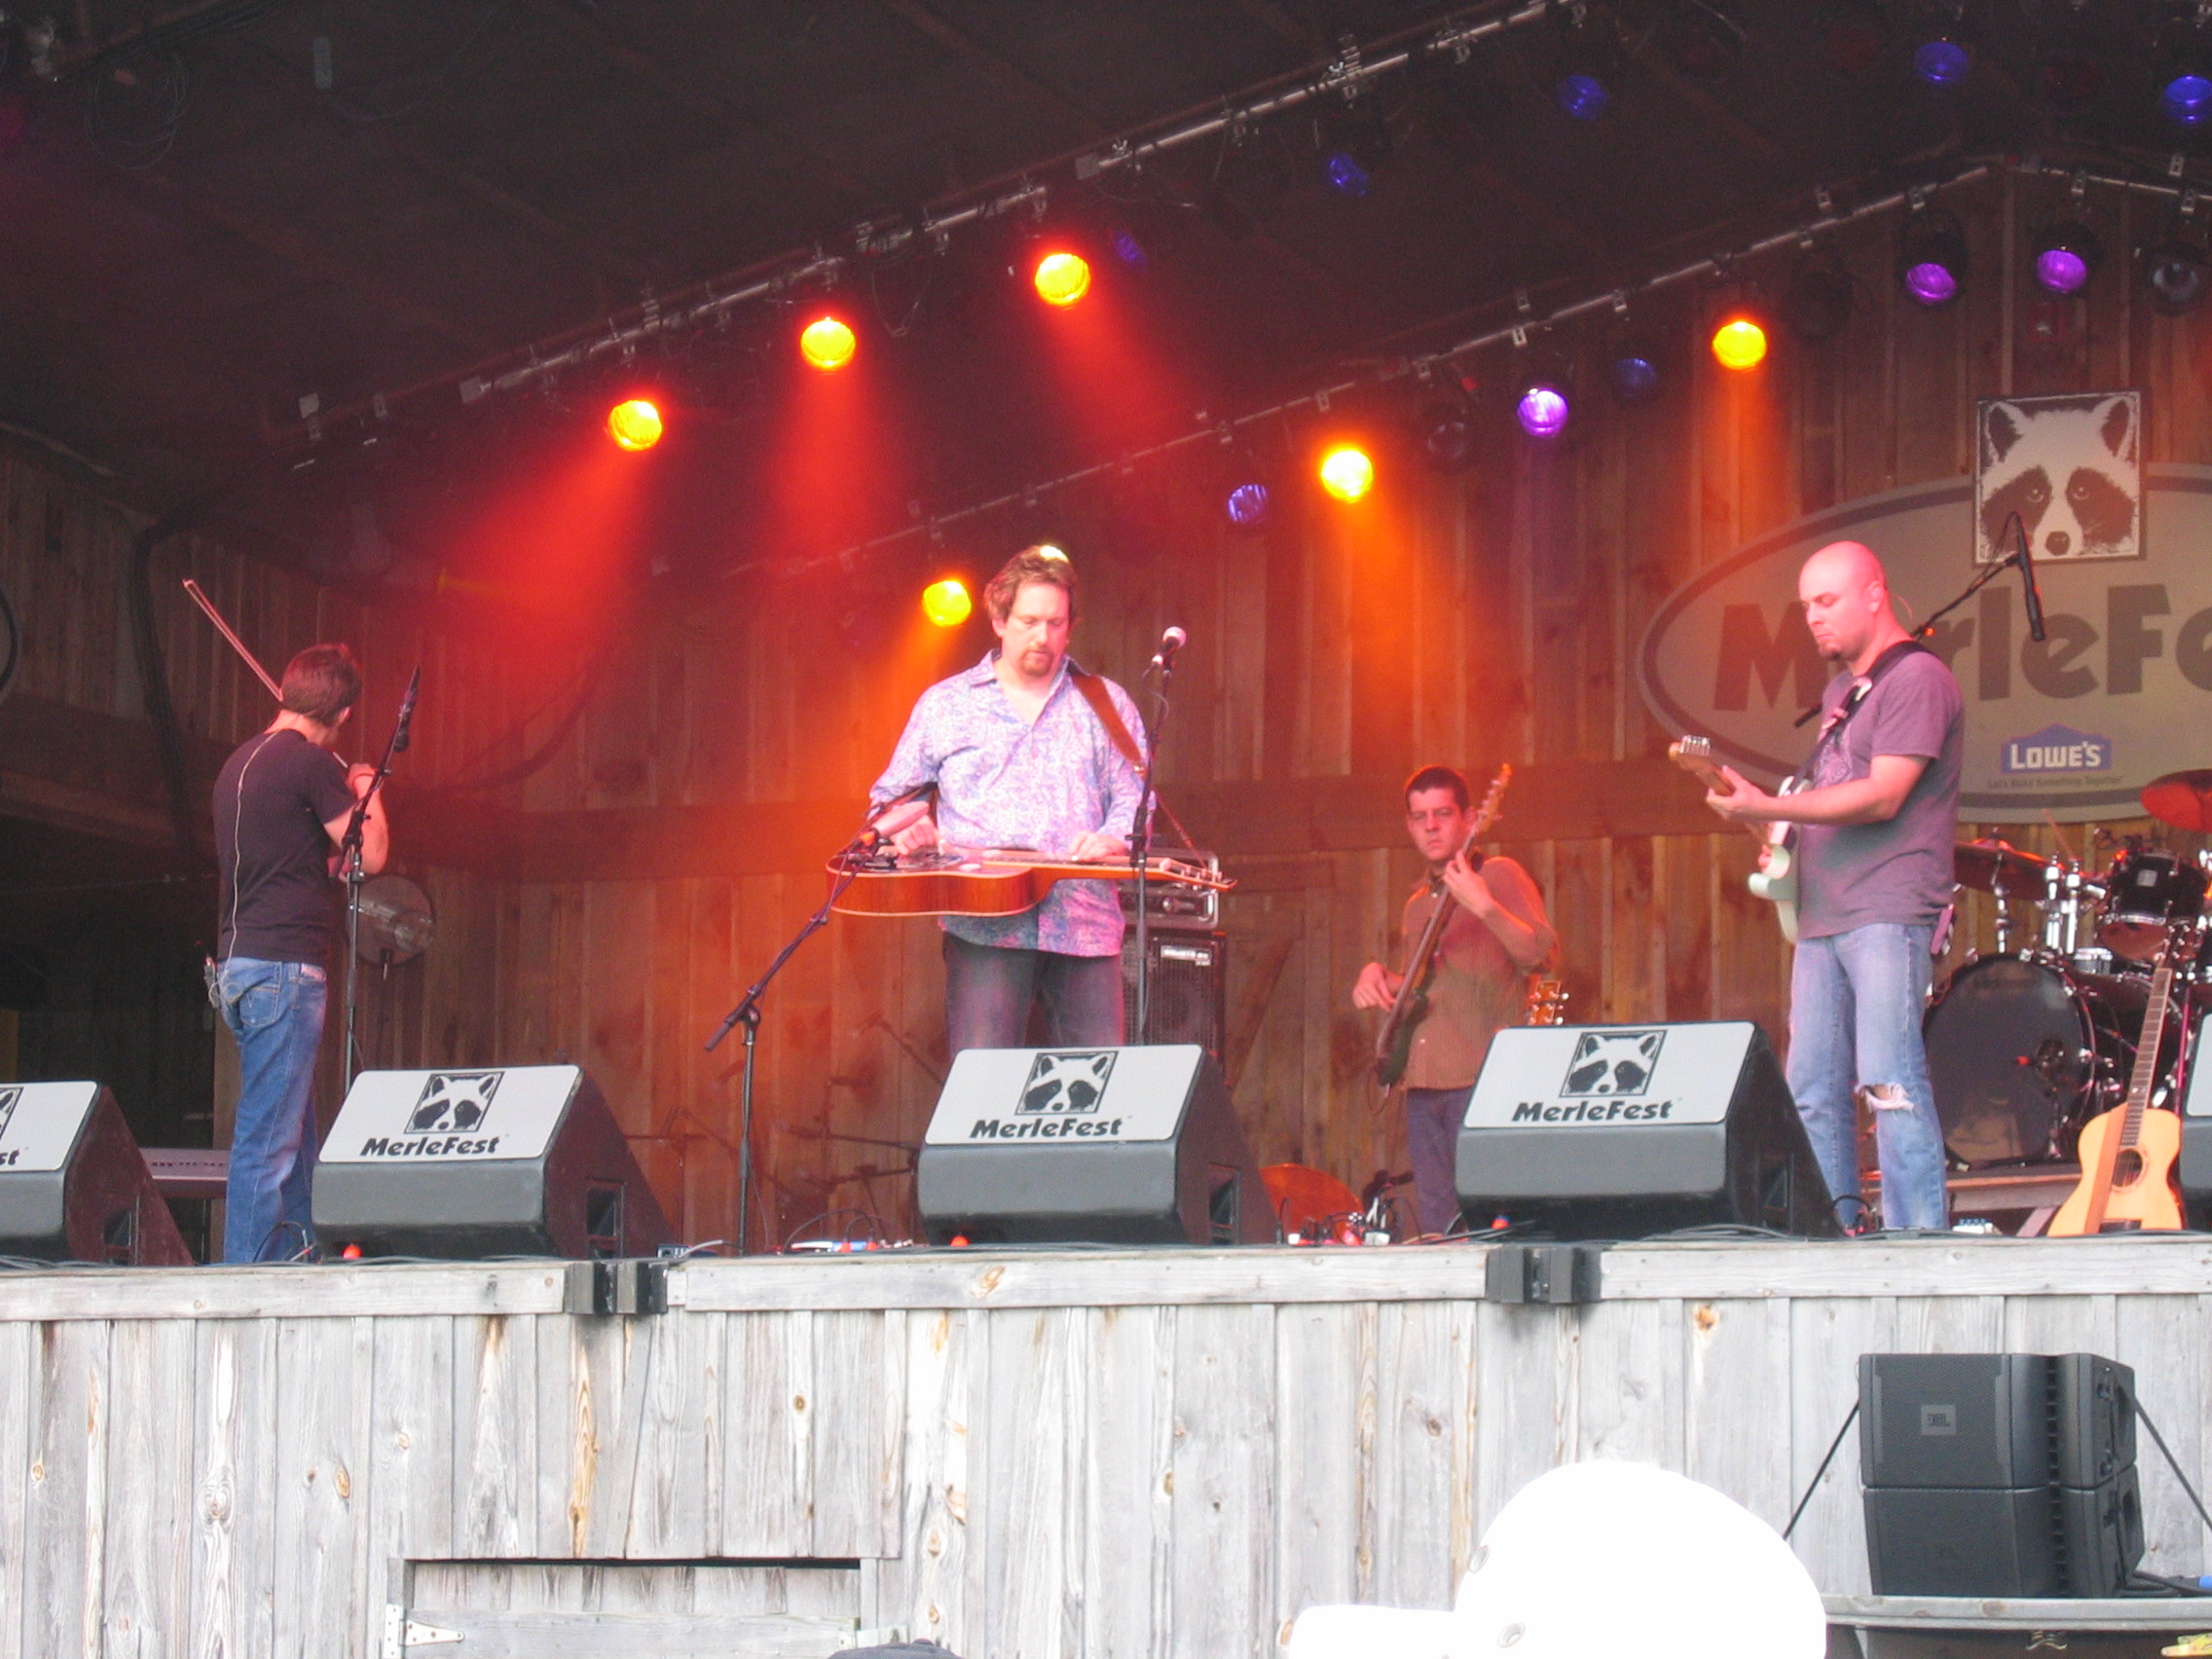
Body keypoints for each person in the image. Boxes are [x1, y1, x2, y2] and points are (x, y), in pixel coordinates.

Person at [1703, 539, 1961, 1232]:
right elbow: (1834, 795)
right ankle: (1828, 1234)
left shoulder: (1918, 678)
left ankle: (1918, 1242)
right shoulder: (1841, 692)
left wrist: (1770, 807)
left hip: (1887, 907)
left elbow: (1882, 796)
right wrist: (1780, 833)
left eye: (1827, 601)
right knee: (1811, 1090)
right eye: (1805, 605)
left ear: (1875, 593)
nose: (1813, 618)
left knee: (1888, 1082)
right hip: (1822, 914)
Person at [869, 546, 1146, 1054]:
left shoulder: (1105, 703)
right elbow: (889, 801)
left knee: (1100, 1091)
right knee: (982, 1093)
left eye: (1056, 623)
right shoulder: (947, 705)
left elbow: (1135, 800)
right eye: (1029, 621)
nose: (1043, 636)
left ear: (1071, 625)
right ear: (998, 619)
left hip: (1083, 925)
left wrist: (1114, 836)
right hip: (985, 927)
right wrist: (904, 827)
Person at [211, 644, 388, 1263]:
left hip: (240, 965)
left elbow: (305, 860)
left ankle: (302, 1254)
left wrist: (326, 862)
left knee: (294, 1132)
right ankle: (248, 1278)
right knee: (269, 1140)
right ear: (340, 713)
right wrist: (366, 780)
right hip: (284, 969)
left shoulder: (240, 764)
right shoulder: (308, 764)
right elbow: (372, 852)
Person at [1352, 765, 1556, 1236]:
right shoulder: (1418, 902)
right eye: (1420, 816)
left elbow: (1542, 956)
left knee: (1492, 1222)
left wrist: (1484, 904)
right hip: (1423, 1084)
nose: (1431, 826)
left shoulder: (1499, 875)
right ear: (1408, 825)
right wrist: (1379, 974)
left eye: (1443, 813)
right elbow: (1425, 991)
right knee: (1441, 1228)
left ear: (1468, 818)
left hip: (1481, 1078)